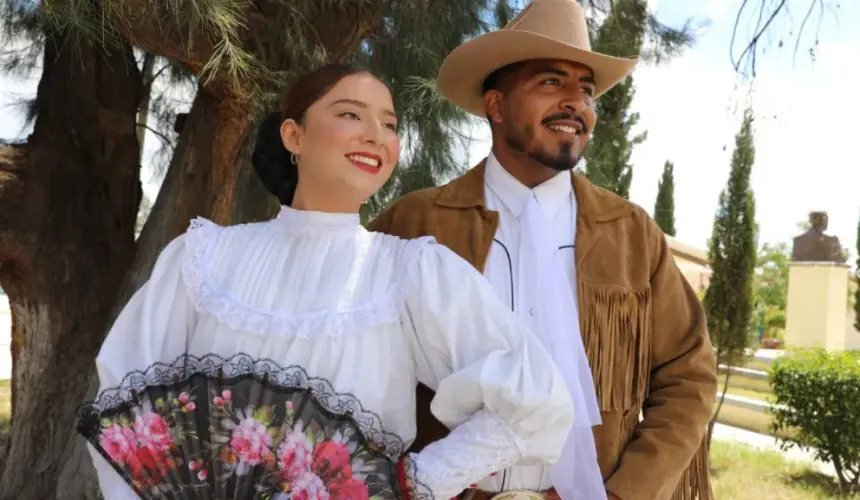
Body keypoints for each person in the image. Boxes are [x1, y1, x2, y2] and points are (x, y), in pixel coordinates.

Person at [87, 63, 576, 499]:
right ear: (294, 136)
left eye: (389, 124)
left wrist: (417, 483)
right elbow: (125, 410)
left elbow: (534, 398)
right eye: (350, 114)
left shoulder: (412, 273)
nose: (375, 134)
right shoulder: (202, 259)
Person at [368, 1, 718, 499]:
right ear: (496, 104)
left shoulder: (631, 235)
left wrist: (621, 493)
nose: (576, 102)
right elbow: (351, 359)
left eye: (587, 89)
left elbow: (689, 378)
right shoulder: (417, 222)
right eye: (551, 82)